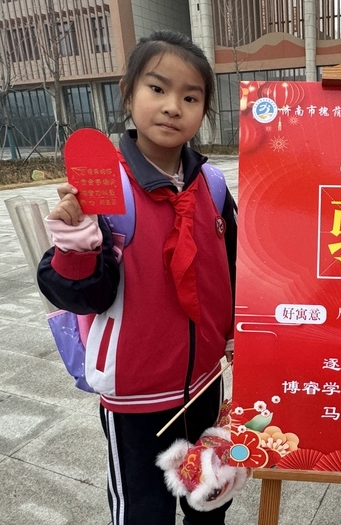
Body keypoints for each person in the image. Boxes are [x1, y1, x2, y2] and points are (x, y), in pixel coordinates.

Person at [36, 30, 237, 525]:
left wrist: (241, 335)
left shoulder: (212, 185)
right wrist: (77, 242)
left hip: (206, 381)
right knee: (143, 510)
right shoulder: (107, 190)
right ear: (128, 93)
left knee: (210, 496)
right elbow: (85, 295)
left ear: (204, 110)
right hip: (135, 395)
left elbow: (235, 268)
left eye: (190, 97)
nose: (172, 107)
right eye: (157, 88)